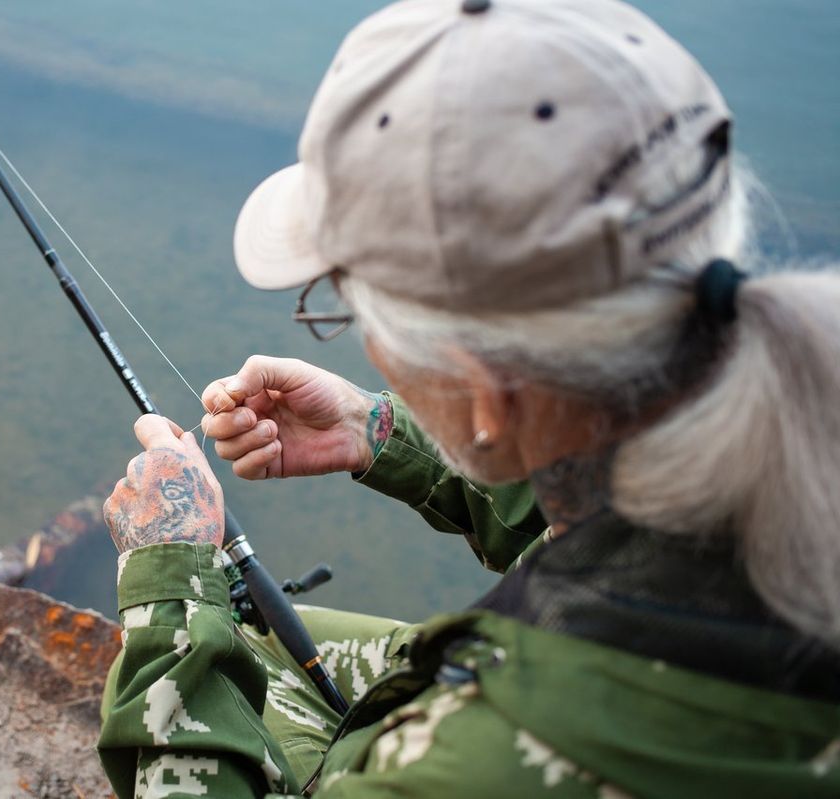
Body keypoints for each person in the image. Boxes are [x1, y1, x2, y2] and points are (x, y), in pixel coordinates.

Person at [96, 0, 840, 796]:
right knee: (248, 638)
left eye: (349, 309)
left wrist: (168, 586)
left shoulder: (489, 765)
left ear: (485, 387)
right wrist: (379, 428)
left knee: (202, 642)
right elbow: (599, 503)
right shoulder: (784, 408)